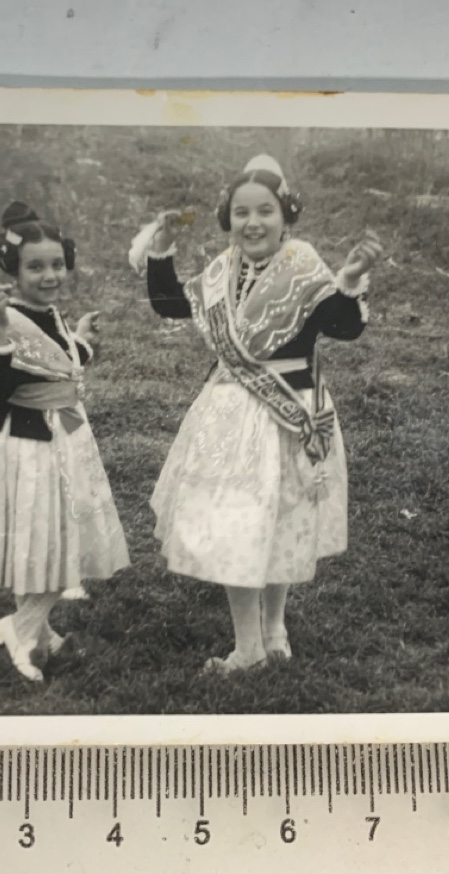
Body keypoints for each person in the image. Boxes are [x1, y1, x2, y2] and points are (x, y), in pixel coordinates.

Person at [129, 154, 382, 674]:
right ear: (229, 219)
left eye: (265, 210)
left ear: (285, 216)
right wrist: (159, 254)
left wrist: (350, 279)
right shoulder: (224, 271)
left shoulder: (304, 264)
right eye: (241, 212)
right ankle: (249, 645)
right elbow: (174, 304)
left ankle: (274, 630)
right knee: (238, 524)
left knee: (280, 521)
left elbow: (342, 325)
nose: (253, 223)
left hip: (289, 412)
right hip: (230, 419)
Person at [0, 202, 130, 682]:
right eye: (35, 266)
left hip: (63, 430)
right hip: (28, 443)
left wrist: (82, 341)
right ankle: (21, 627)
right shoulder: (7, 319)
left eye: (56, 264)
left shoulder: (46, 314)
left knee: (52, 536)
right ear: (12, 270)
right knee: (55, 538)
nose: (49, 275)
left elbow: (55, 366)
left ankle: (41, 631)